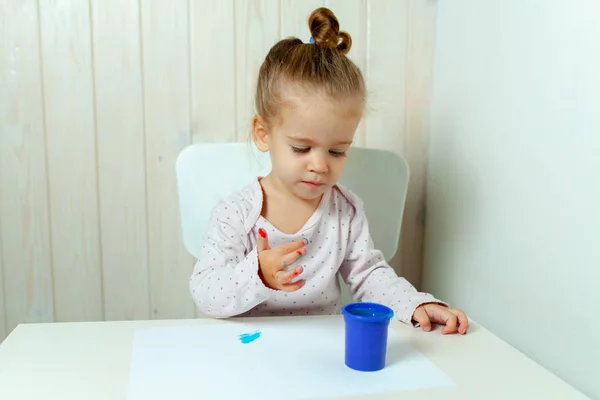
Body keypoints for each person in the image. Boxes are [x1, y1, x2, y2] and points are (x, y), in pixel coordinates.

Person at [189, 7, 468, 335]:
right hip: (249, 352)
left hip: (322, 354)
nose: (320, 165)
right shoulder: (235, 215)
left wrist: (414, 304)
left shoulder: (345, 212)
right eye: (301, 148)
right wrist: (258, 273)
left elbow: (369, 277)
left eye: (337, 151)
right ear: (263, 134)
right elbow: (205, 291)